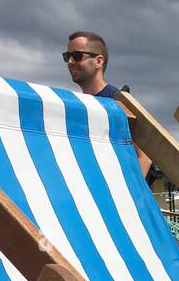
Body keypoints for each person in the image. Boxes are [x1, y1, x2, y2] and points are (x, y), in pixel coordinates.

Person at [63, 31, 151, 176]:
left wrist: (127, 195)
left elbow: (144, 157)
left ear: (98, 61)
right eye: (67, 56)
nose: (70, 62)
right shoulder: (79, 106)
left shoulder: (117, 102)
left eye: (77, 56)